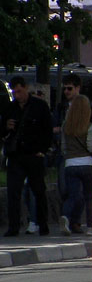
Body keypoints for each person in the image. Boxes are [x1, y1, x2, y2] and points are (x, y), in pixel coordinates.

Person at [3, 76, 54, 236]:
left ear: (25, 88)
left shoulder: (39, 106)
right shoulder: (10, 108)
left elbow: (48, 130)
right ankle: (13, 227)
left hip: (34, 154)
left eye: (19, 91)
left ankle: (43, 224)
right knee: (13, 192)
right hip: (16, 155)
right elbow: (2, 131)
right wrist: (6, 127)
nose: (17, 95)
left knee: (38, 190)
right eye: (14, 92)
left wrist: (42, 150)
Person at [60, 93, 92, 235]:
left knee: (73, 195)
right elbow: (91, 146)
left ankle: (65, 216)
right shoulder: (89, 126)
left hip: (70, 164)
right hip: (87, 164)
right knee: (89, 196)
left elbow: (63, 148)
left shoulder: (65, 127)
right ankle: (90, 226)